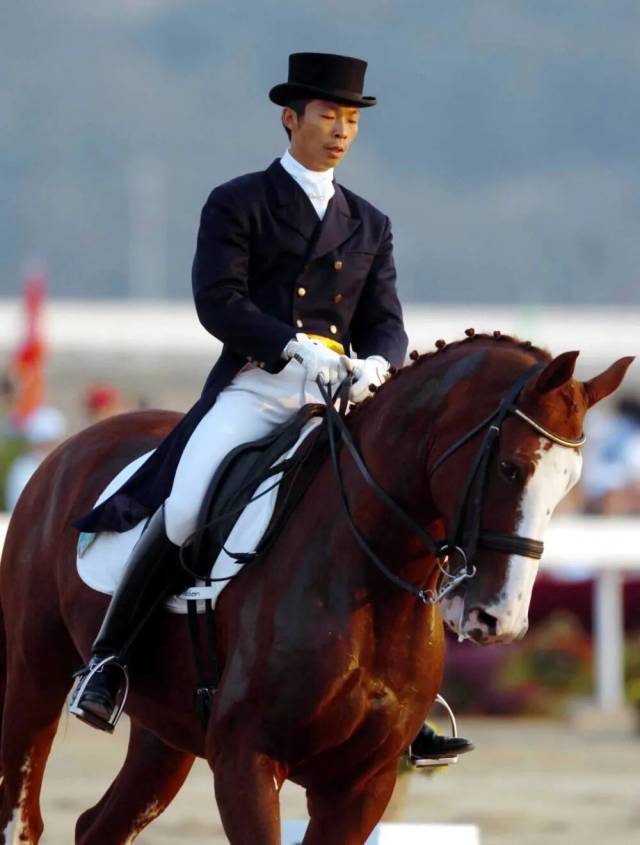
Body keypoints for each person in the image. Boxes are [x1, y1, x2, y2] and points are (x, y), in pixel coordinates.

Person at [69, 52, 472, 762]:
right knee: (187, 507)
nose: (341, 131)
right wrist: (291, 346)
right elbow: (217, 300)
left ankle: (403, 699)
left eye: (351, 120)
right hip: (259, 386)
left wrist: (381, 362)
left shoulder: (368, 222)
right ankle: (110, 660)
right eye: (328, 116)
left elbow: (386, 320)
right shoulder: (240, 201)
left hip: (340, 396)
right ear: (291, 118)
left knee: (396, 510)